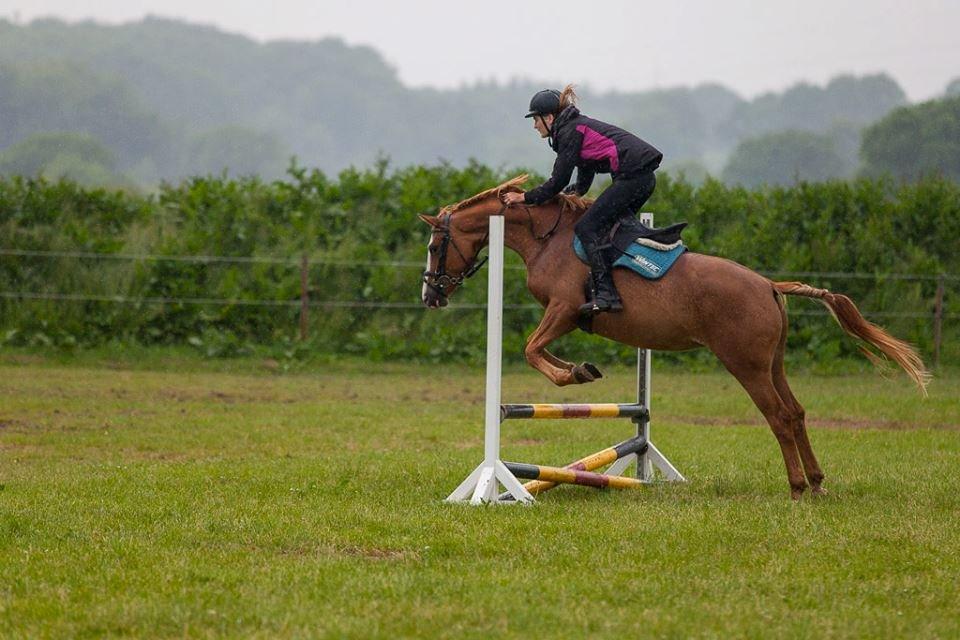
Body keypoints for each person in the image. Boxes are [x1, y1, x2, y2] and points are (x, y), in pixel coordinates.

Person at [501, 85, 663, 317]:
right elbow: (586, 169)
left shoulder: (569, 132)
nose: (534, 126)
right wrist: (576, 191)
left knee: (586, 227)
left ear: (549, 118)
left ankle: (607, 294)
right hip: (641, 178)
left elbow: (557, 181)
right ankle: (628, 282)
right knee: (611, 227)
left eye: (536, 119)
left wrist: (523, 197)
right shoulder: (575, 128)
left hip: (633, 178)